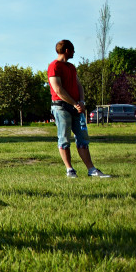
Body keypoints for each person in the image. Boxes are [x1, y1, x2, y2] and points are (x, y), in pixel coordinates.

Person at [47, 40, 109, 178]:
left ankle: (91, 169)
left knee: (82, 139)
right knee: (64, 139)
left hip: (76, 107)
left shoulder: (71, 67)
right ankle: (70, 170)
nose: (74, 52)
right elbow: (58, 89)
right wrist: (75, 103)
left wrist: (81, 101)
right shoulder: (54, 66)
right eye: (73, 50)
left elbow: (78, 85)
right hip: (61, 107)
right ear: (67, 50)